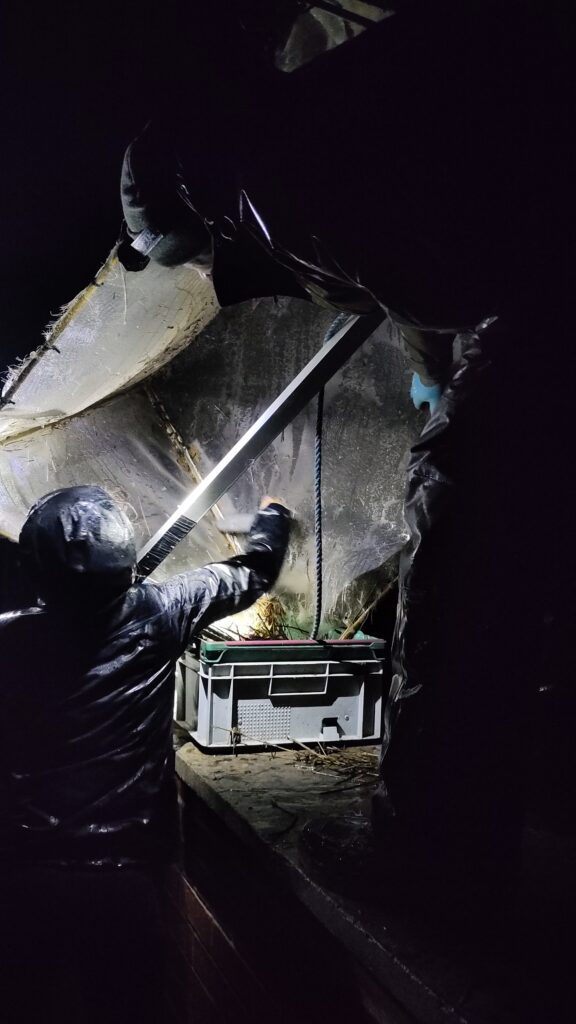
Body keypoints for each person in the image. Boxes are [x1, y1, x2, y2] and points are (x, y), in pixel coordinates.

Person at [115, 2, 576, 912]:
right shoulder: (312, 123)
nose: (220, 261)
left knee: (468, 527)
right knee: (506, 520)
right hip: (534, 264)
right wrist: (434, 365)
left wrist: (441, 374)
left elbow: (430, 280)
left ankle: (432, 850)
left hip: (548, 284)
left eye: (204, 248)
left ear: (195, 197)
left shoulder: (274, 179)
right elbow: (419, 265)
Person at [0, 485, 290, 1024]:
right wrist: (272, 515)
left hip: (23, 874)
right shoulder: (162, 612)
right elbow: (252, 572)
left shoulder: (9, 640)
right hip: (125, 879)